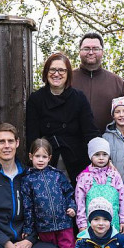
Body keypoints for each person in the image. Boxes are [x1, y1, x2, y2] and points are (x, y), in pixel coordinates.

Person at [25, 52, 100, 183]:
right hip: (47, 160)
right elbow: (32, 136)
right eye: (53, 69)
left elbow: (90, 131)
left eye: (61, 70)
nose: (56, 74)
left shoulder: (79, 98)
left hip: (76, 160)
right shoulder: (36, 99)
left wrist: (100, 154)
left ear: (68, 74)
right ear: (46, 72)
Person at [21, 139, 80, 248]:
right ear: (30, 156)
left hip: (63, 223)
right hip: (44, 226)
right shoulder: (27, 180)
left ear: (50, 158)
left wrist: (72, 207)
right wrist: (28, 227)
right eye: (37, 156)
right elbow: (27, 206)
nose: (41, 160)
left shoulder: (57, 175)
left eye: (44, 157)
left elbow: (69, 193)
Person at [71, 32, 124, 133]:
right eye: (86, 48)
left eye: (95, 49)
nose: (91, 52)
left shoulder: (117, 82)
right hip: (71, 143)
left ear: (102, 52)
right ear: (79, 51)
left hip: (108, 144)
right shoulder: (67, 79)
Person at [74, 137, 124, 235]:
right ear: (90, 156)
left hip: (114, 224)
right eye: (97, 154)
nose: (101, 158)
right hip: (91, 226)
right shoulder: (84, 177)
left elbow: (123, 198)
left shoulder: (114, 175)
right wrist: (82, 224)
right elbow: (80, 202)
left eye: (104, 154)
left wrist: (123, 220)